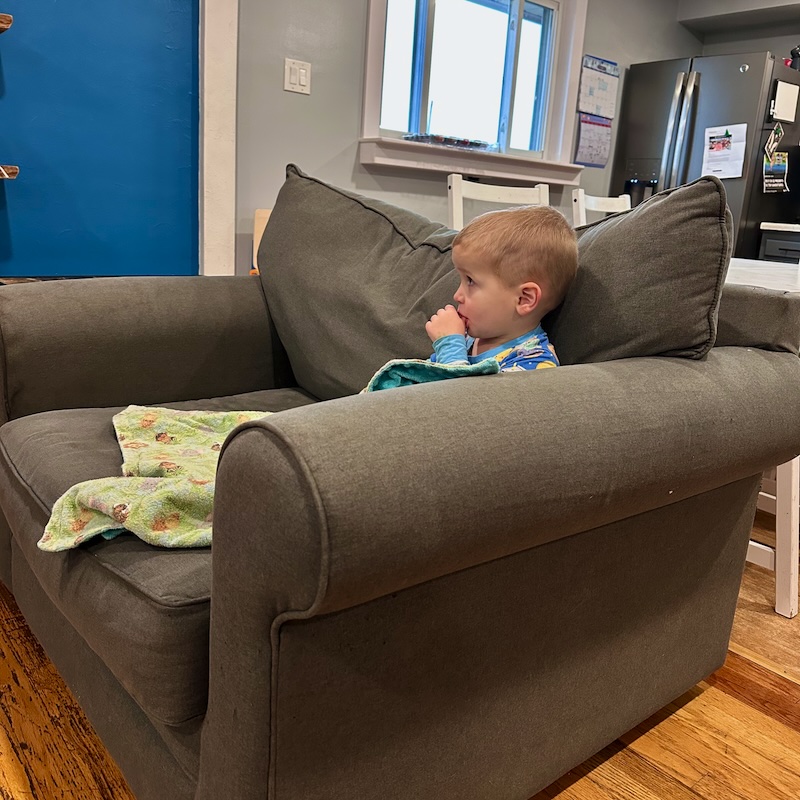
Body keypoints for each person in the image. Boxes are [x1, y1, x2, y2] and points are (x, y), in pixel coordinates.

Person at [426, 204, 578, 372]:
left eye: (470, 281)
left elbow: (462, 397)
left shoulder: (534, 364)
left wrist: (449, 347)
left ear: (524, 299)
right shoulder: (468, 339)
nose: (457, 295)